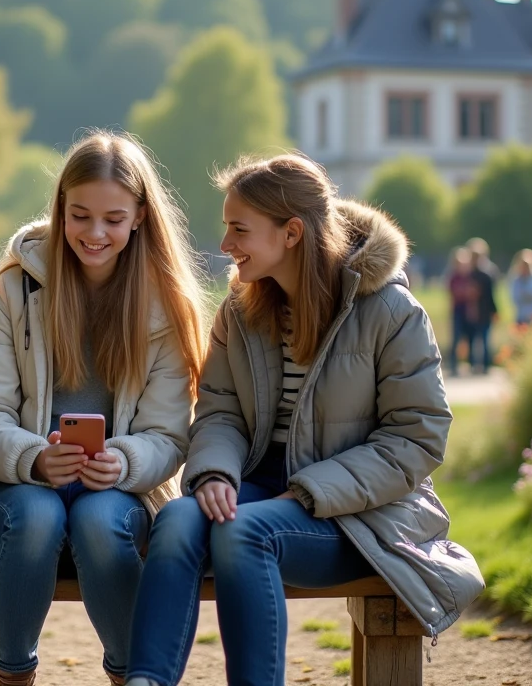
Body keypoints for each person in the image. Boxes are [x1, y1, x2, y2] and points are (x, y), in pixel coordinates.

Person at [124, 153, 483, 686]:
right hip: (261, 487)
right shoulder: (240, 310)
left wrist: (312, 491)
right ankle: (146, 680)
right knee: (178, 519)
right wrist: (217, 473)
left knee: (244, 533)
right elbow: (219, 410)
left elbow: (418, 438)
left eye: (239, 229)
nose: (225, 245)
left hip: (363, 516)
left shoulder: (391, 311)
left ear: (291, 233)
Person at [0, 132, 207, 686]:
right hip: (16, 488)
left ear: (141, 216)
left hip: (122, 491)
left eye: (113, 219)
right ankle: (11, 675)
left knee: (98, 519)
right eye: (80, 215)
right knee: (37, 514)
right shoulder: (11, 291)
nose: (95, 234)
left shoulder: (165, 304)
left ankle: (134, 677)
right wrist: (35, 459)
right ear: (61, 209)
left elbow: (169, 433)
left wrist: (122, 462)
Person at [466, 238, 499, 374]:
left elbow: (490, 295)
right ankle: (476, 365)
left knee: (482, 340)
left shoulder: (486, 275)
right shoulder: (468, 274)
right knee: (474, 340)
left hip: (483, 311)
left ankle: (482, 365)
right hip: (474, 311)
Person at [446, 247, 478, 376]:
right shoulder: (454, 277)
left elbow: (474, 294)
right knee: (456, 339)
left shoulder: (472, 277)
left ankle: (472, 364)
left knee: (471, 339)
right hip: (458, 311)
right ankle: (454, 365)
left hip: (469, 312)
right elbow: (454, 293)